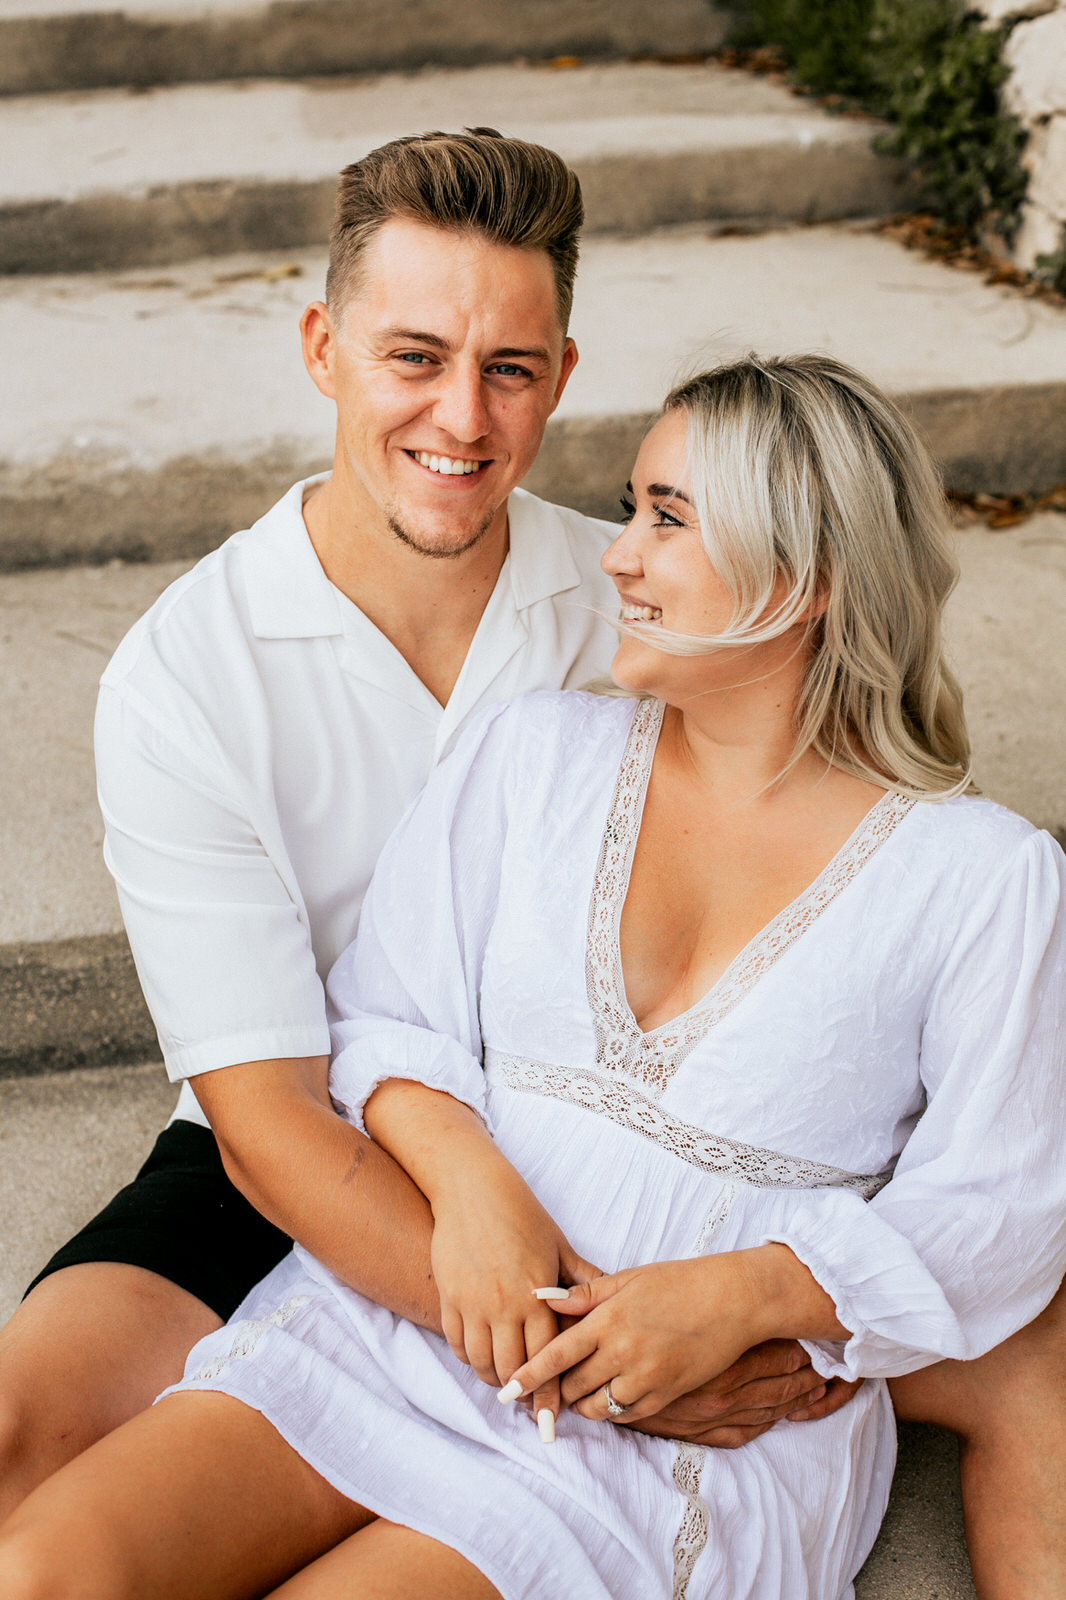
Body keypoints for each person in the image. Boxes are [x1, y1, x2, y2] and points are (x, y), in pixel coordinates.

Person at [2, 134, 1065, 1600]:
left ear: (560, 373)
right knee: (39, 1531)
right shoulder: (222, 680)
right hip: (325, 1164)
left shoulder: (944, 855)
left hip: (673, 1340)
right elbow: (296, 1098)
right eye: (415, 358)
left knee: (1034, 1359)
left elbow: (984, 1186)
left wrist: (736, 1308)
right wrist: (494, 1233)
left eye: (508, 368)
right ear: (324, 351)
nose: (464, 417)